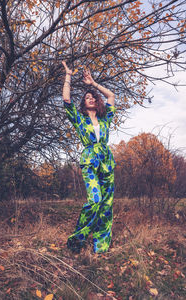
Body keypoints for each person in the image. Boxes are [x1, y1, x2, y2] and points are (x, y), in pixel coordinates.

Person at [62, 61, 116, 254]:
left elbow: (111, 95)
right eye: (87, 97)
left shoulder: (105, 118)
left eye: (93, 97)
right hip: (89, 160)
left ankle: (101, 246)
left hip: (107, 162)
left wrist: (93, 84)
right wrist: (68, 76)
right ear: (84, 103)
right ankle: (78, 238)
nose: (91, 98)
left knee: (106, 205)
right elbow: (66, 101)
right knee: (95, 200)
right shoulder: (79, 119)